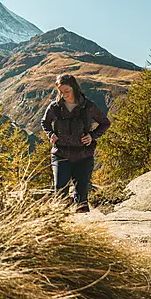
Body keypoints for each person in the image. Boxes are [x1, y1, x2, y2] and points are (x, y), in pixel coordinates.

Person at [41, 74, 109, 212]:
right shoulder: (55, 107)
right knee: (60, 192)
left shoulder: (88, 106)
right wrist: (50, 134)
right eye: (61, 91)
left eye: (67, 91)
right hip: (61, 154)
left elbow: (105, 123)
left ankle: (83, 229)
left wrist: (92, 136)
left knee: (82, 196)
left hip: (83, 155)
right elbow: (45, 122)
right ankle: (60, 228)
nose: (64, 95)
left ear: (74, 89)